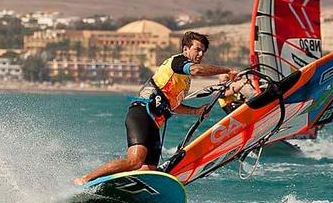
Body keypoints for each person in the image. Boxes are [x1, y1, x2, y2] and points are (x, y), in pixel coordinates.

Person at [74, 31, 237, 185]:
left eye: (203, 52)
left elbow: (174, 106)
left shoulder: (184, 80)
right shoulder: (178, 62)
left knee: (149, 169)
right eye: (197, 50)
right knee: (135, 161)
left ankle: (116, 187)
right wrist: (226, 70)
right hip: (142, 113)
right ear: (186, 49)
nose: (200, 54)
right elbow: (197, 69)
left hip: (154, 123)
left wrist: (196, 111)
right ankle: (85, 179)